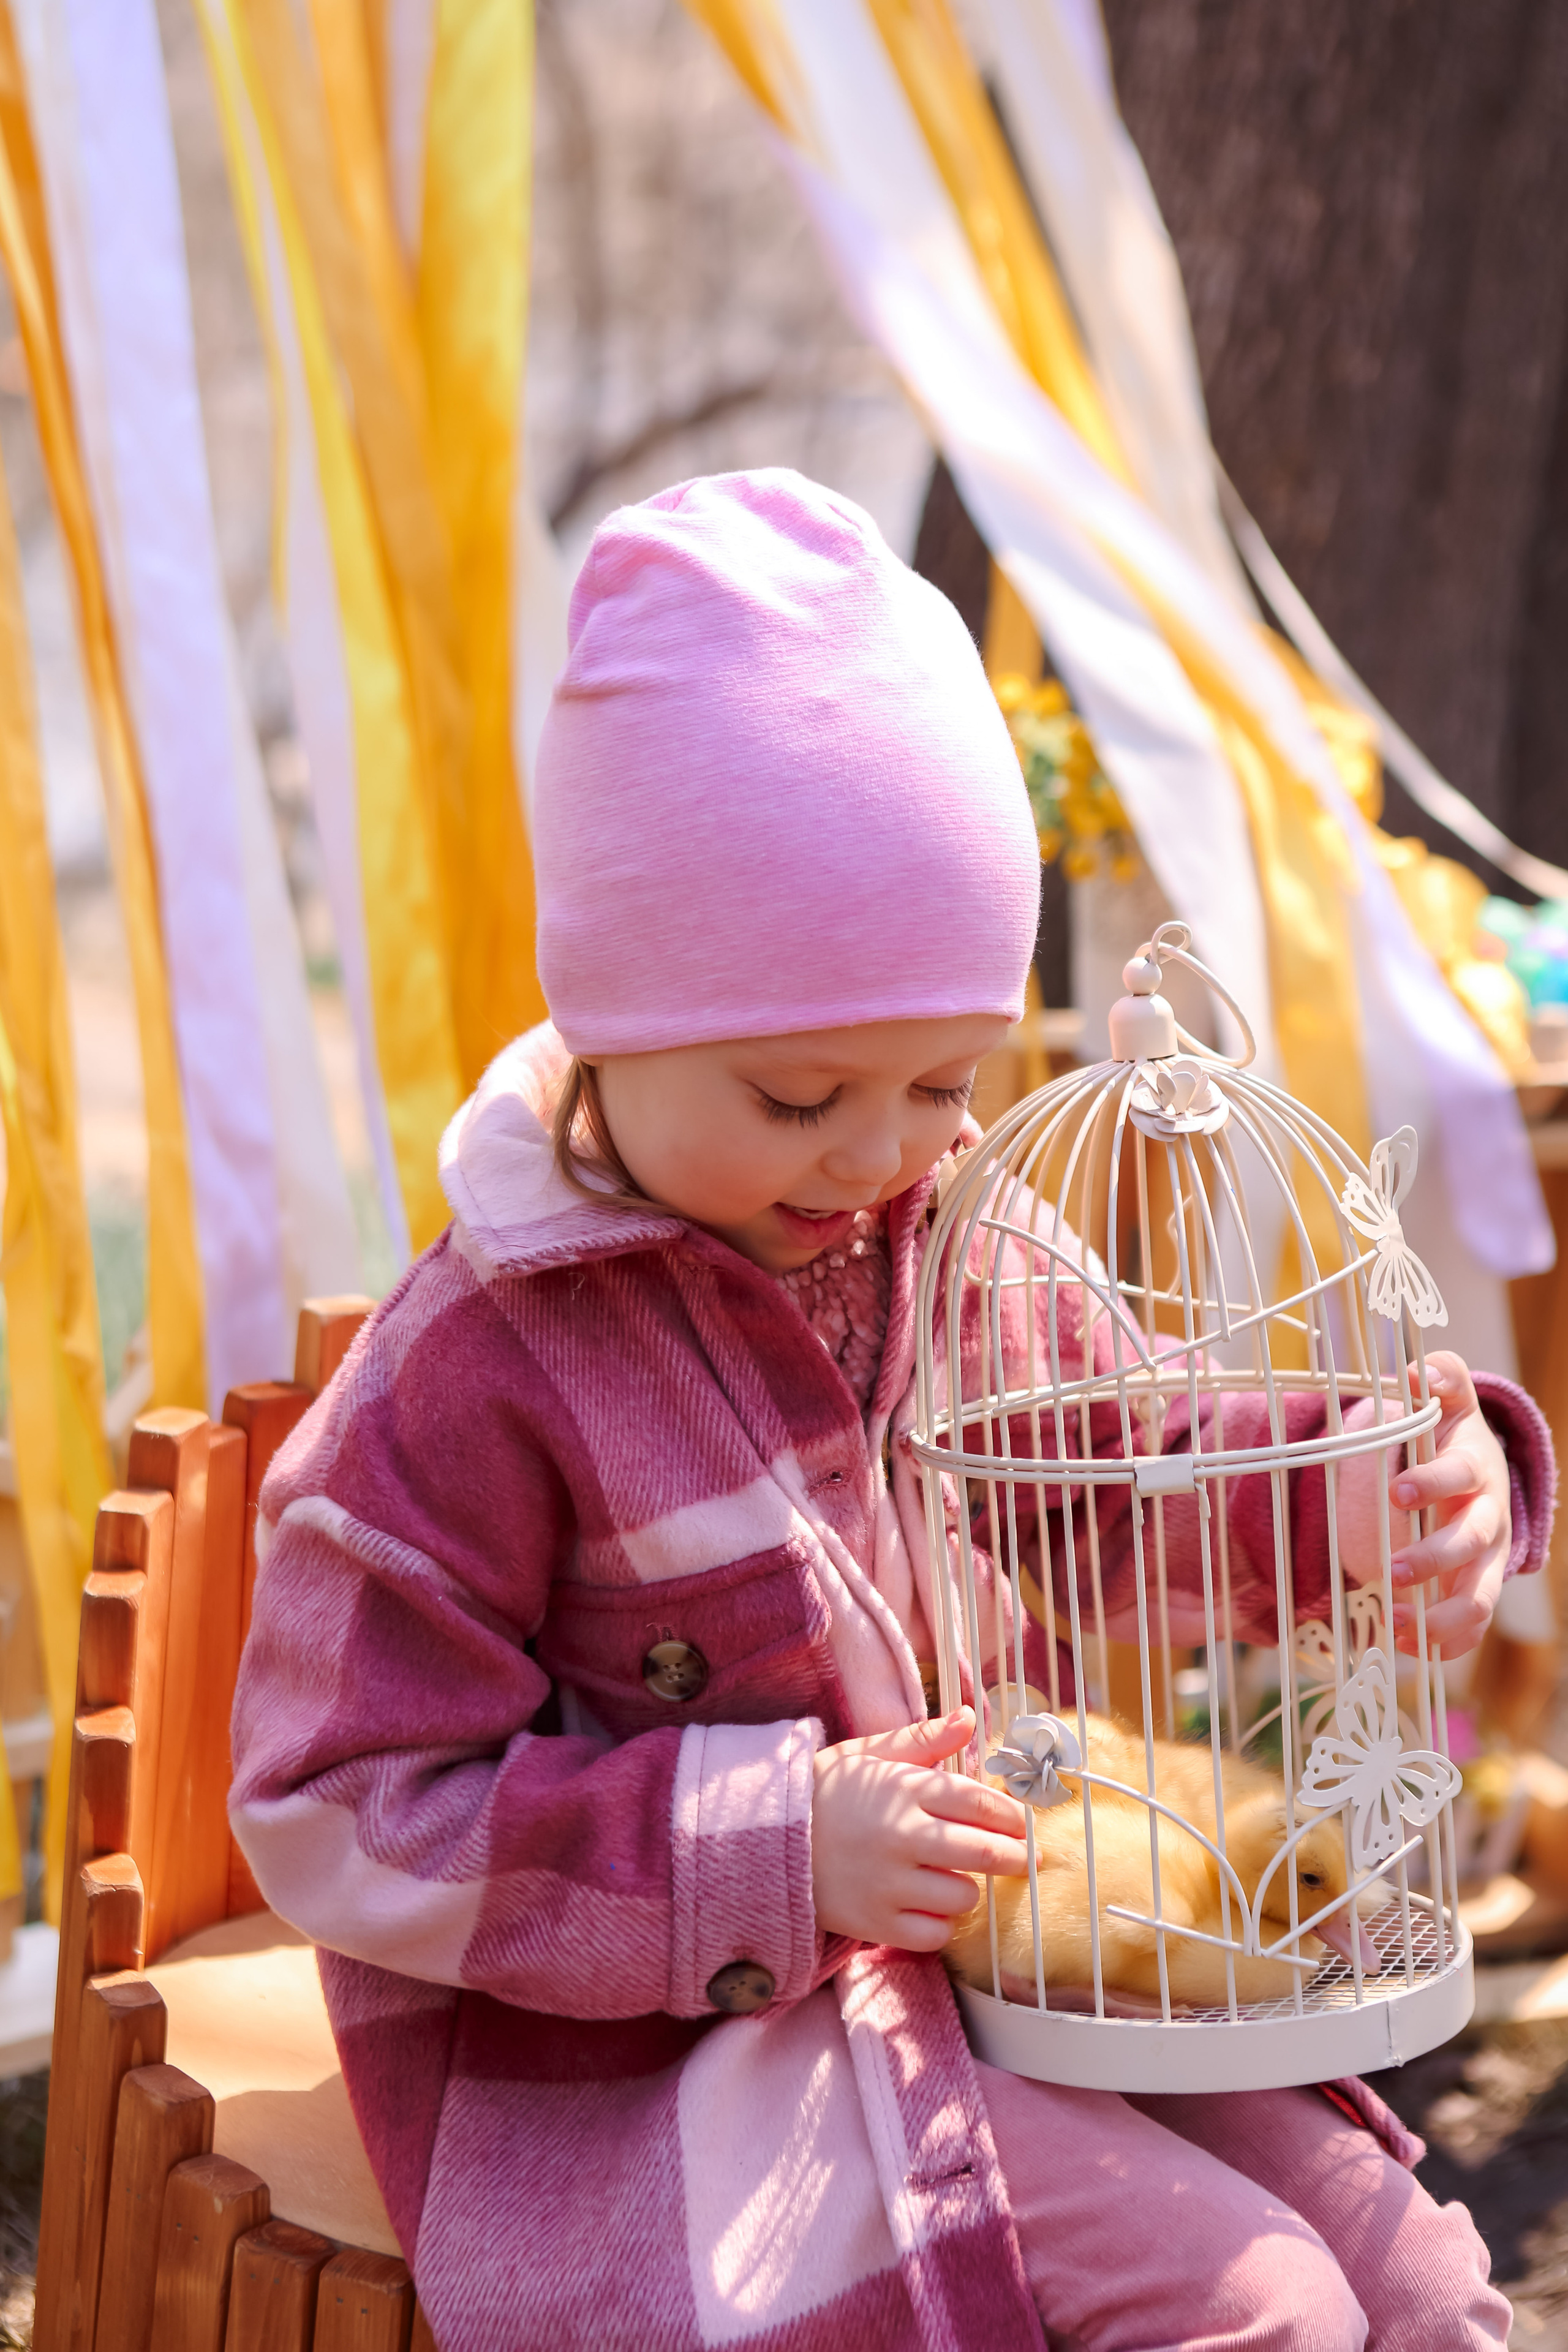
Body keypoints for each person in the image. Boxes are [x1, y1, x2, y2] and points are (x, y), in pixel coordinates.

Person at [231, 471, 1550, 2352]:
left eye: (945, 1078)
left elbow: (1114, 1483)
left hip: (998, 1972)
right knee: (1254, 2307)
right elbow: (336, 1801)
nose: (877, 1155)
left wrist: (1366, 1498)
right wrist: (785, 1842)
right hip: (673, 2068)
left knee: (1415, 2282)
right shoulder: (485, 1364)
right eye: (795, 1097)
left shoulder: (958, 1242)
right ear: (609, 1018)